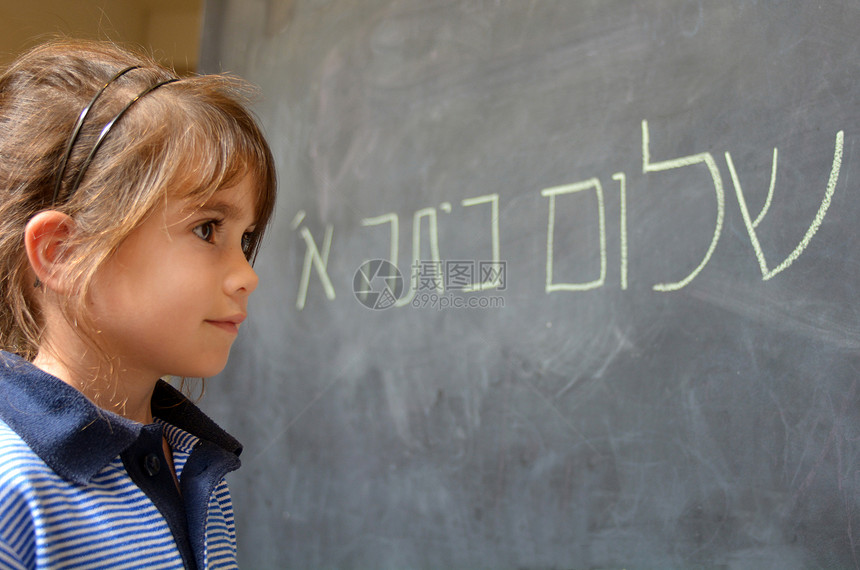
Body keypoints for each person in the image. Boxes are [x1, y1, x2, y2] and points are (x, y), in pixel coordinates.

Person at [0, 38, 276, 569]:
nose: (246, 275)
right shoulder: (14, 487)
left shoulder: (196, 464)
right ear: (63, 253)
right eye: (206, 228)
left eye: (245, 239)